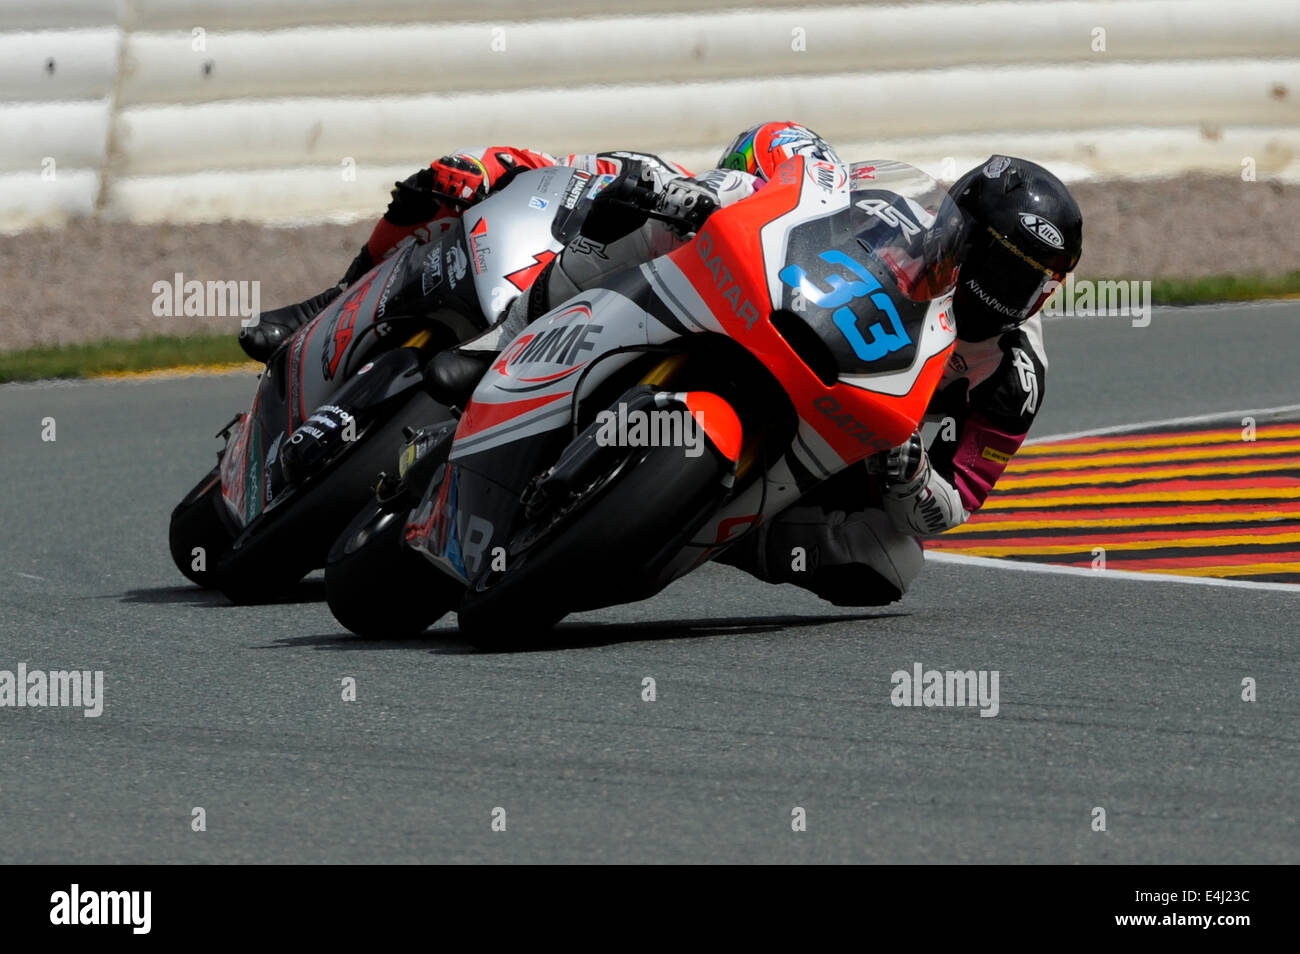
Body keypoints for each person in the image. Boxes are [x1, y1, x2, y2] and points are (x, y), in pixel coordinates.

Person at [721, 155, 1083, 606]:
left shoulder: (1014, 377)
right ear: (960, 228)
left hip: (844, 424)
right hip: (766, 318)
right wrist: (729, 193)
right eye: (993, 264)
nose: (1001, 291)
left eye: (1026, 282)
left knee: (888, 562)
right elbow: (794, 193)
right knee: (758, 158)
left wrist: (912, 474)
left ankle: (726, 541)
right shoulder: (885, 215)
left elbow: (959, 498)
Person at [237, 146, 689, 362]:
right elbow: (543, 165)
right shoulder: (657, 176)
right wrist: (482, 167)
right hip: (522, 270)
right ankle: (332, 302)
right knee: (444, 182)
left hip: (594, 342)